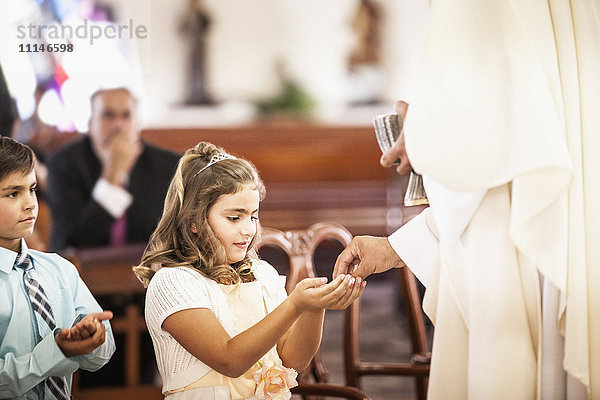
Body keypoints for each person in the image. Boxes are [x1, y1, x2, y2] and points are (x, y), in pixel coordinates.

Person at [334, 1, 599, 399]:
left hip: (522, 260)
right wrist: (394, 248)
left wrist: (419, 133)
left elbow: (475, 139)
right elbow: (518, 141)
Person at [133, 142, 365, 399]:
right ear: (194, 221)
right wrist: (295, 304)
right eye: (235, 217)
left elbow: (292, 362)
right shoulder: (173, 282)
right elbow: (229, 359)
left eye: (253, 216)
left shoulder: (261, 274)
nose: (248, 229)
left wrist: (314, 306)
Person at [0, 137, 115, 399]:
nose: (30, 203)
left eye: (32, 189)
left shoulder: (59, 269)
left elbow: (102, 355)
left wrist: (91, 339)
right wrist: (57, 351)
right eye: (12, 193)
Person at [45, 86, 180, 252]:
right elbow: (73, 243)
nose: (118, 125)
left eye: (126, 115)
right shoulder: (62, 164)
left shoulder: (168, 166)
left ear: (137, 124)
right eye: (108, 115)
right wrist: (112, 175)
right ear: (90, 124)